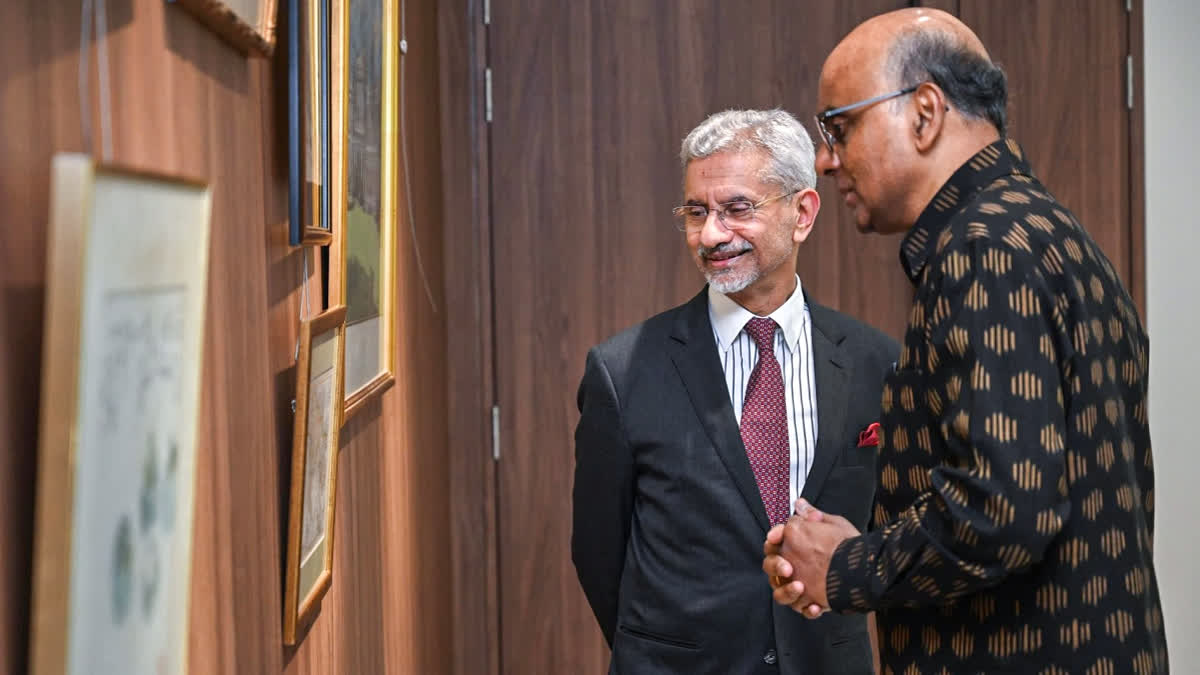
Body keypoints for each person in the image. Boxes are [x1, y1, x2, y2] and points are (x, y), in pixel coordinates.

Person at [762, 8, 1170, 674]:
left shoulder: (983, 250)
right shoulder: (1048, 232)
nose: (824, 159)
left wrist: (846, 565)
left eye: (840, 126)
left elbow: (1001, 510)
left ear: (925, 113)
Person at [571, 108, 898, 674]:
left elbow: (893, 540)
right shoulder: (622, 372)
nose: (711, 235)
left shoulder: (875, 362)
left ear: (802, 212)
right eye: (696, 213)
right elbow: (599, 555)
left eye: (736, 209)